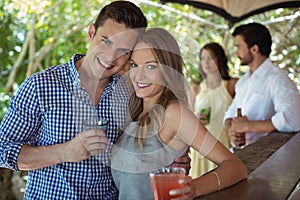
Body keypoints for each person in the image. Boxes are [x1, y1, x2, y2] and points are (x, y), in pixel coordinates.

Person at [0, 1, 190, 199]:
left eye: (123, 51)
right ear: (91, 33)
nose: (110, 56)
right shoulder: (40, 86)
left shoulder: (133, 92)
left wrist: (172, 159)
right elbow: (2, 150)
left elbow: (153, 142)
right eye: (106, 41)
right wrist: (64, 152)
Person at [111, 28, 247, 200]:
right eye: (134, 65)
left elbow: (236, 167)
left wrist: (194, 188)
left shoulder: (174, 114)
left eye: (151, 66)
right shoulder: (132, 110)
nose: (139, 75)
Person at [224, 22, 300, 149]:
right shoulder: (243, 82)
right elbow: (229, 116)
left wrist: (249, 125)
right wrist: (232, 131)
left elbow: (294, 118)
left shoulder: (277, 79)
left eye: (238, 47)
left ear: (254, 49)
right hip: (242, 157)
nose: (236, 53)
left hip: (267, 162)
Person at [189, 42, 238, 178]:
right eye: (203, 58)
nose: (206, 62)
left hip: (224, 142)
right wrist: (195, 118)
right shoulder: (196, 88)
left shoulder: (232, 85)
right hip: (201, 144)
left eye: (210, 58)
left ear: (219, 59)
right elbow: (185, 120)